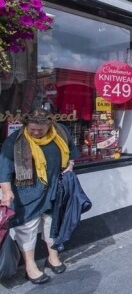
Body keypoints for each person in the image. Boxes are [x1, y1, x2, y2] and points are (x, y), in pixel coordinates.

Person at [0, 109, 78, 284]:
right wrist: (6, 191)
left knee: (52, 223)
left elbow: (72, 151)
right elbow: (4, 169)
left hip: (54, 189)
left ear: (49, 125)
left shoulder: (60, 132)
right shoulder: (16, 140)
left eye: (40, 129)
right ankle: (30, 266)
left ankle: (53, 257)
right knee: (27, 229)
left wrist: (70, 165)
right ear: (26, 125)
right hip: (27, 193)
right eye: (32, 129)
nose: (35, 132)